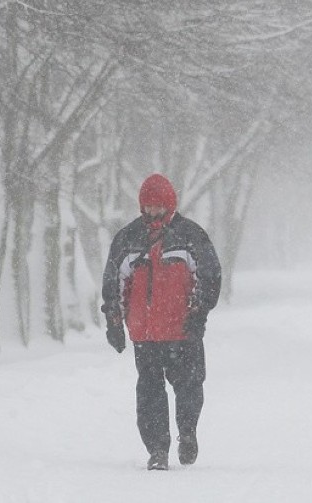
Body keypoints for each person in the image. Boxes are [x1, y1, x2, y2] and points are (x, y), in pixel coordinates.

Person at [101, 173, 222, 471]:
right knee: (150, 392)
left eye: (158, 206)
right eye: (147, 206)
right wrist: (114, 322)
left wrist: (199, 314)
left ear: (170, 204)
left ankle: (188, 432)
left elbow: (209, 277)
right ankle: (157, 450)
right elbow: (113, 282)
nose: (152, 212)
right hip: (145, 333)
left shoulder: (191, 236)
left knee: (190, 387)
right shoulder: (128, 239)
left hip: (183, 331)